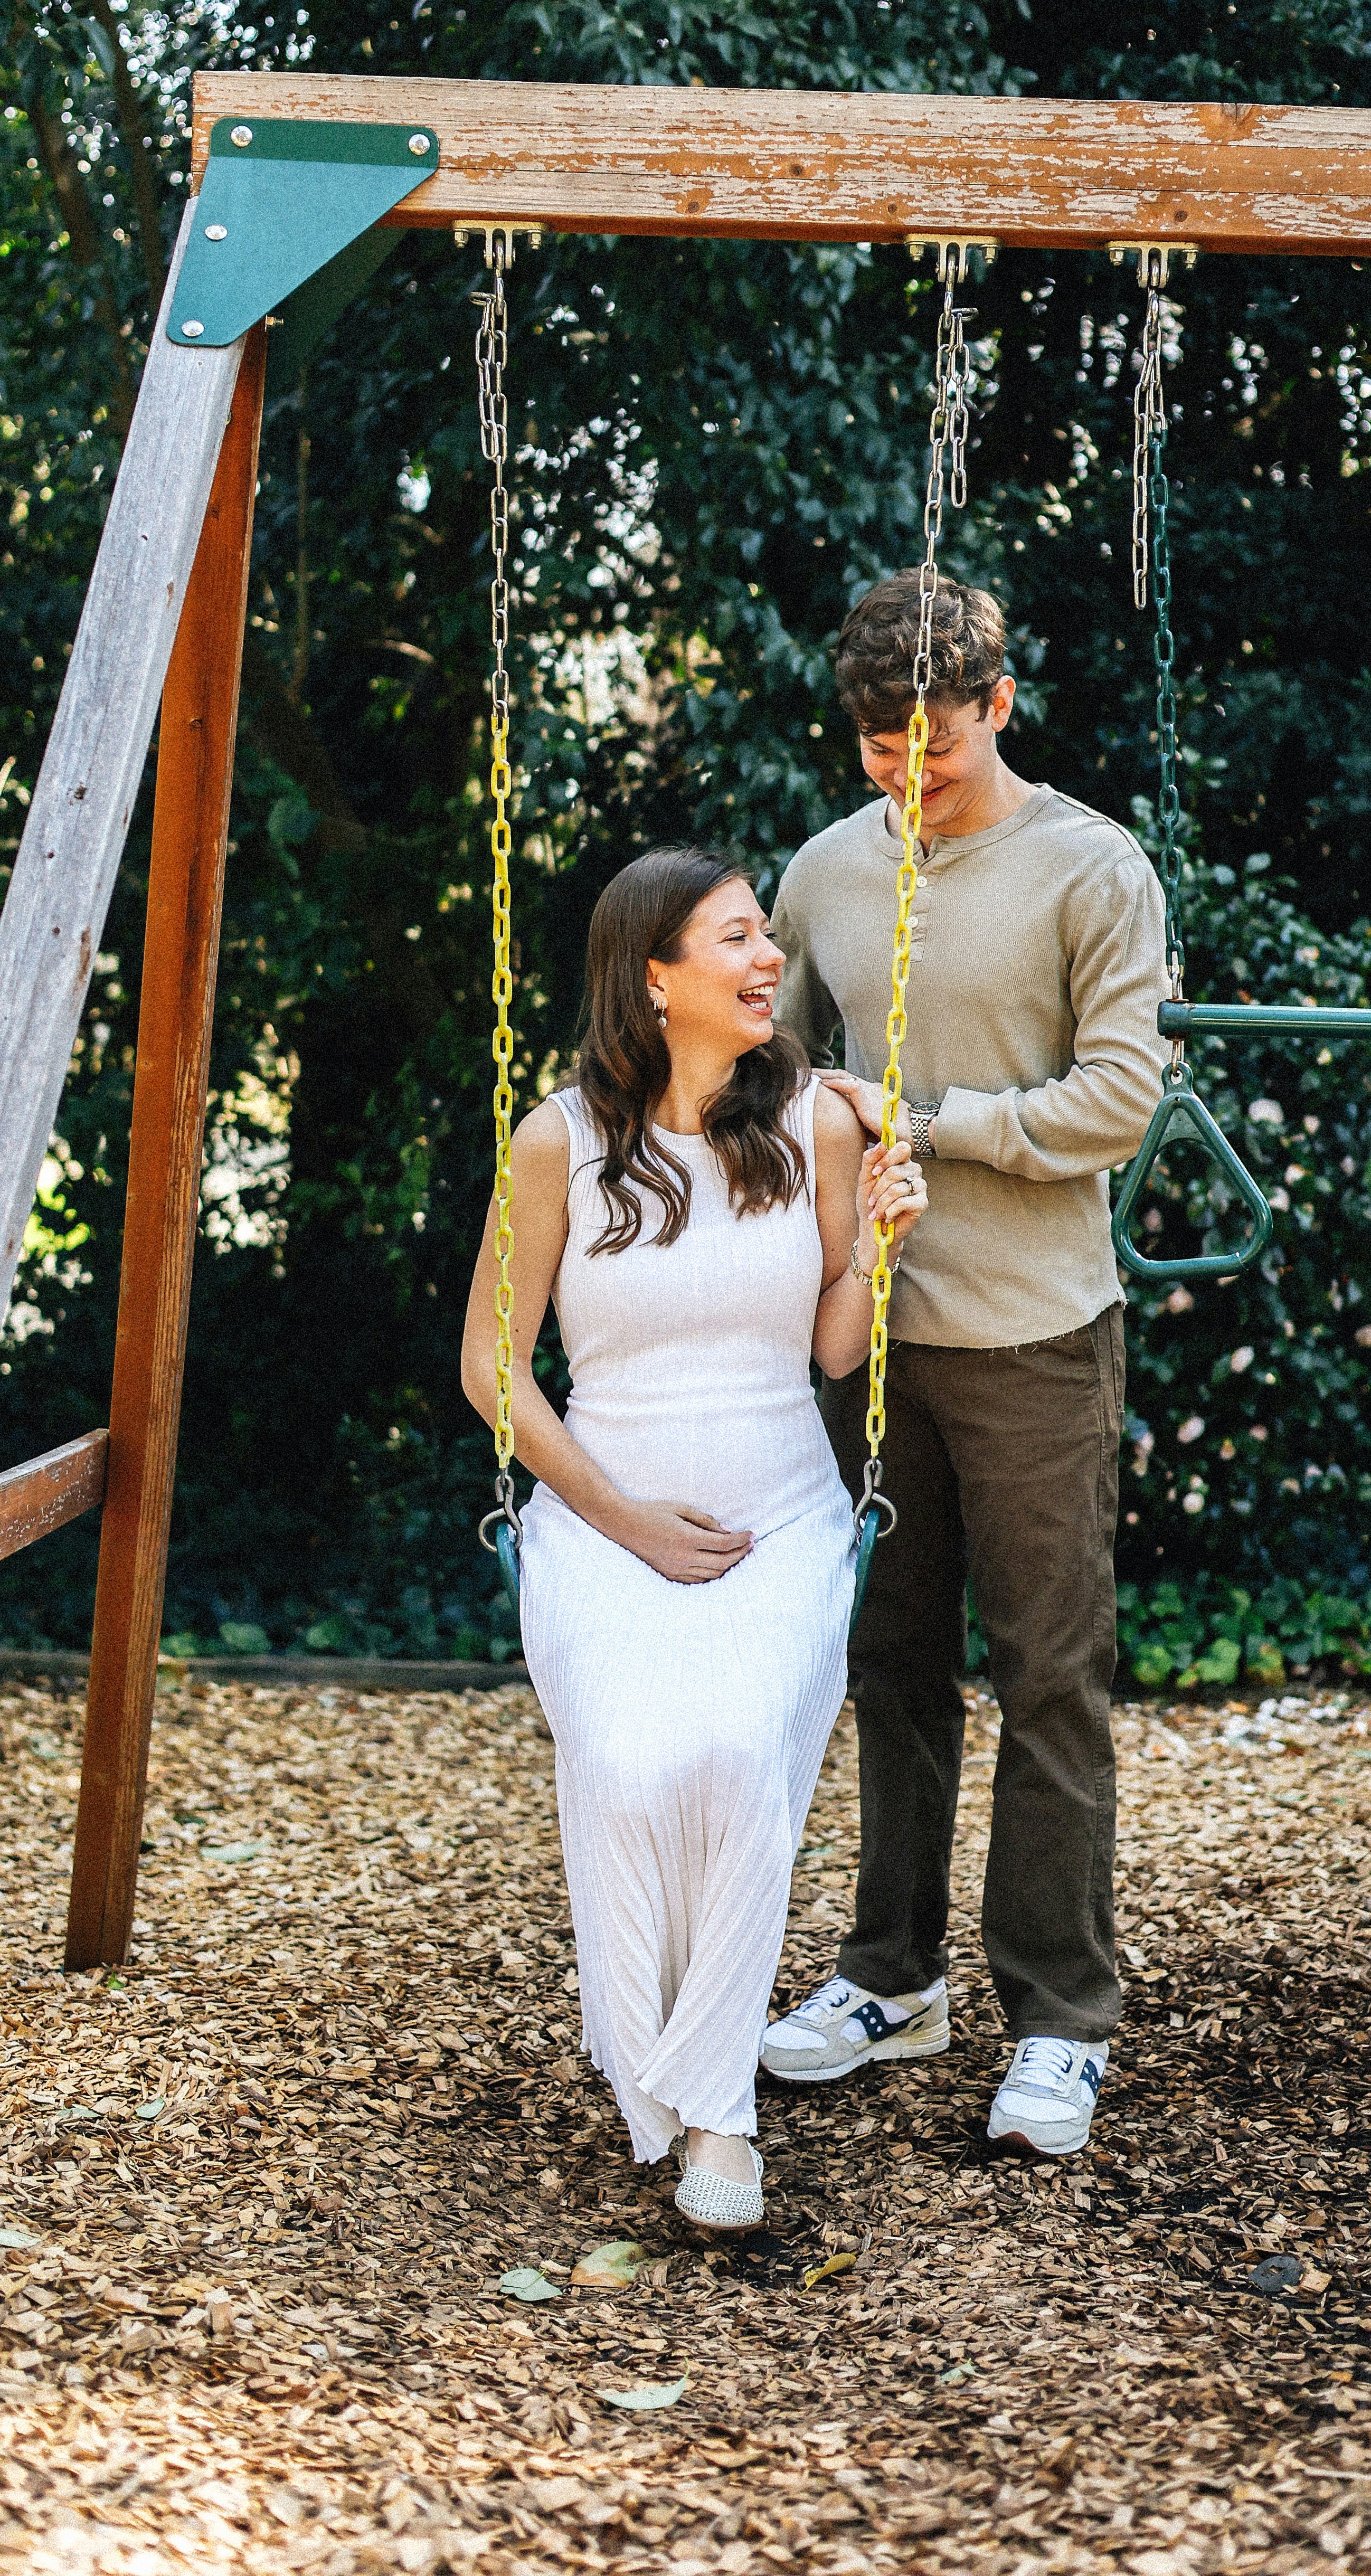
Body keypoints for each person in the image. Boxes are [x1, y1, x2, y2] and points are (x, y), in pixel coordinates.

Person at [460, 847, 927, 2234]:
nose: (768, 959)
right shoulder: (559, 1142)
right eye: (736, 939)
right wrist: (624, 1523)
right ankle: (653, 2048)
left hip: (783, 1513)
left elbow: (837, 1350)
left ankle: (716, 2110)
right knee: (626, 1758)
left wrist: (881, 1253)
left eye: (766, 937)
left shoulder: (824, 1128)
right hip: (606, 1518)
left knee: (734, 1757)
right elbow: (494, 1369)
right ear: (656, 979)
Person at [759, 570, 1166, 2159]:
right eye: (875, 747)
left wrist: (927, 1124)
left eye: (929, 740)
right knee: (891, 1671)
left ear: (998, 704)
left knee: (1051, 1680)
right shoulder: (821, 877)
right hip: (869, 1347)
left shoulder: (1092, 868)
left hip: (1038, 1342)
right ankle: (891, 1978)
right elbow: (780, 1080)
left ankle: (1061, 2018)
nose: (904, 772)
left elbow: (1118, 1101)